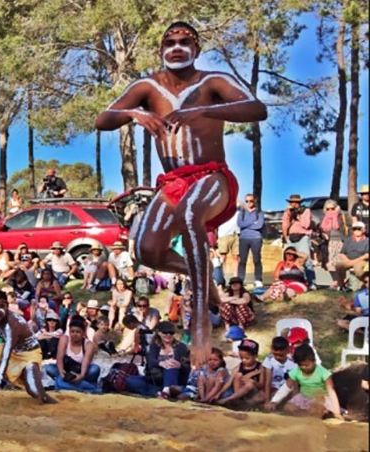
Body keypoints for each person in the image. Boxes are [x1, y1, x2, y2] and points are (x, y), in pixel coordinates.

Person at [95, 21, 267, 365]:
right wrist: (134, 114)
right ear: (161, 50)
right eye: (169, 41)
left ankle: (202, 323)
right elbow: (103, 119)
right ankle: (201, 276)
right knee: (146, 250)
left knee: (191, 213)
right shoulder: (148, 85)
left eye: (185, 41)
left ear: (197, 49)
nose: (177, 46)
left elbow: (256, 109)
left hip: (211, 177)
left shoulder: (212, 82)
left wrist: (204, 109)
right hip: (173, 181)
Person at [0, 290, 58, 403]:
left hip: (28, 355)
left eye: (1, 306)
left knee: (35, 391)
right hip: (8, 351)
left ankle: (47, 398)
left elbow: (7, 351)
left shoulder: (14, 322)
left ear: (7, 305)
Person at [266, 344, 342, 419]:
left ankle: (320, 415)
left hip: (320, 399)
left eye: (307, 365)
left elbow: (331, 391)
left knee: (320, 409)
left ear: (314, 361)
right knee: (288, 408)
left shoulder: (323, 373)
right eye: (301, 365)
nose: (304, 368)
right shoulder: (296, 371)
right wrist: (274, 401)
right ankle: (308, 417)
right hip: (304, 397)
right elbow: (286, 387)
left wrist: (337, 412)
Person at [125, 321, 190, 397]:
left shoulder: (181, 347)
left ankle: (166, 391)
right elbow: (150, 361)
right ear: (159, 333)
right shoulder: (154, 346)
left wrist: (180, 365)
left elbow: (189, 367)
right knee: (130, 380)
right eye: (165, 332)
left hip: (175, 378)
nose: (168, 335)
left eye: (171, 333)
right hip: (156, 379)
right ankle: (160, 392)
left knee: (170, 367)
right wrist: (161, 363)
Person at [45, 315, 101, 393]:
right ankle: (88, 387)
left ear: (83, 333)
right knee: (49, 368)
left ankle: (63, 384)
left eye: (78, 332)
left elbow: (86, 361)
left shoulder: (89, 344)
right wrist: (61, 373)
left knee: (95, 369)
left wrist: (81, 376)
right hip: (67, 371)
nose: (74, 334)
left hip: (83, 371)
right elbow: (59, 358)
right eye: (72, 331)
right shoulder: (64, 339)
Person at [282, 194, 316, 289]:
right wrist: (285, 238)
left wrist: (298, 215)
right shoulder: (287, 212)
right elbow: (285, 225)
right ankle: (291, 280)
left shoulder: (306, 211)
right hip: (291, 237)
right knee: (288, 259)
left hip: (302, 236)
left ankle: (312, 282)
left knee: (307, 261)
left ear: (300, 203)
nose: (294, 204)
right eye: (292, 202)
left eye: (296, 202)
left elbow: (306, 225)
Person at [215, 339, 264, 405]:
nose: (243, 360)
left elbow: (262, 384)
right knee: (238, 375)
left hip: (252, 393)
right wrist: (219, 393)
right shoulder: (239, 366)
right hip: (238, 391)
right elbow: (229, 382)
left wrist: (253, 382)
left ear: (255, 356)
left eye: (247, 358)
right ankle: (237, 399)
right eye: (241, 358)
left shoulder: (260, 367)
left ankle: (230, 399)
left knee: (249, 384)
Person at [259, 336, 297, 408]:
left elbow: (293, 384)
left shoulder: (293, 364)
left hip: (285, 389)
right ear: (272, 349)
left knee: (276, 397)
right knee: (256, 399)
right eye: (275, 354)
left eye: (281, 355)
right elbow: (268, 383)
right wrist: (267, 400)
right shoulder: (269, 360)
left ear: (287, 351)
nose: (278, 357)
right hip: (272, 387)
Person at [237, 194, 265, 286]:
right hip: (243, 238)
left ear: (255, 201)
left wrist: (247, 224)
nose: (249, 203)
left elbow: (259, 225)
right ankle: (240, 280)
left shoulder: (259, 213)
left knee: (257, 259)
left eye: (251, 201)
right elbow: (240, 224)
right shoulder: (242, 212)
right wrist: (253, 222)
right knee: (242, 261)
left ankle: (258, 279)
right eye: (247, 201)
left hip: (256, 238)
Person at [319, 199, 348, 288]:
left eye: (332, 208)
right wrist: (323, 234)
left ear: (336, 208)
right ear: (325, 209)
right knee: (330, 262)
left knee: (340, 262)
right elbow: (321, 230)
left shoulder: (341, 216)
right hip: (329, 242)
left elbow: (347, 228)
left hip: (340, 241)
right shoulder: (323, 219)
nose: (330, 211)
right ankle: (335, 281)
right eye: (328, 209)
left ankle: (342, 281)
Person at [336, 221, 369, 290]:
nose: (356, 230)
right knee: (339, 265)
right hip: (348, 260)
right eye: (354, 229)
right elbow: (342, 253)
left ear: (363, 230)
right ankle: (341, 286)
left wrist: (352, 262)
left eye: (359, 229)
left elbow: (366, 256)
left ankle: (364, 284)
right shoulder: (348, 240)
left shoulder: (367, 241)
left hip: (362, 261)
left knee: (358, 269)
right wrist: (347, 261)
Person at [217, 208, 240, 279]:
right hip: (224, 233)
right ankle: (221, 277)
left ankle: (235, 277)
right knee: (223, 257)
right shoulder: (222, 202)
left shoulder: (239, 204)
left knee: (236, 257)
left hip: (236, 233)